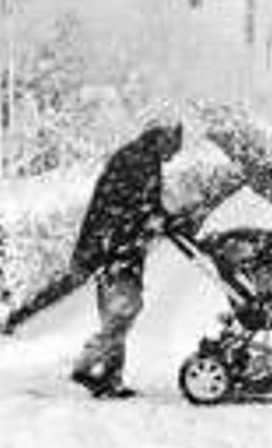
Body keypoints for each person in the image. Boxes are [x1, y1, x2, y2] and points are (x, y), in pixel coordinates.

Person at [68, 119, 183, 399]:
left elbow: (140, 204)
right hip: (116, 248)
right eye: (173, 148)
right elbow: (137, 206)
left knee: (117, 311)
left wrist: (161, 217)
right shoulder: (139, 160)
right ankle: (86, 366)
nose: (174, 156)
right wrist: (162, 218)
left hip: (117, 247)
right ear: (162, 139)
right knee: (124, 309)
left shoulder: (140, 156)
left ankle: (110, 377)